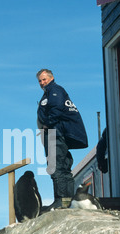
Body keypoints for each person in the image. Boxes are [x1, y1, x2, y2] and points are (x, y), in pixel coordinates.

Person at [36, 69, 88, 210]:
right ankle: (67, 200)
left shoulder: (55, 90)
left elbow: (57, 108)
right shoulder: (52, 91)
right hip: (59, 134)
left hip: (55, 134)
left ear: (51, 78)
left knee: (56, 167)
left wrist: (47, 124)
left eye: (44, 79)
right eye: (40, 80)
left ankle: (61, 200)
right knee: (63, 167)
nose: (42, 83)